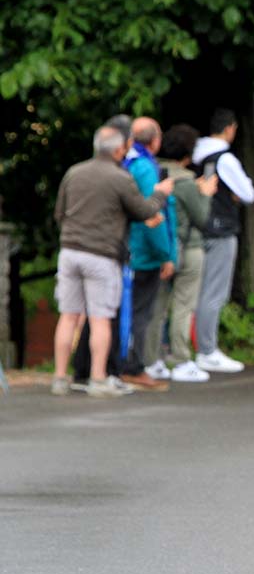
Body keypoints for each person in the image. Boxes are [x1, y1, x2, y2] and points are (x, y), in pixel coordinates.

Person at [50, 126, 172, 397]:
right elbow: (143, 210)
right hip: (101, 255)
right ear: (118, 150)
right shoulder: (120, 178)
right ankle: (97, 378)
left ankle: (59, 378)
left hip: (69, 251)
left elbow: (59, 212)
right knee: (101, 318)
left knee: (68, 316)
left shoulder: (74, 172)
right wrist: (160, 193)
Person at [145, 124, 217, 383]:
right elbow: (202, 217)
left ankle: (150, 358)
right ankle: (180, 358)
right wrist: (206, 194)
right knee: (183, 306)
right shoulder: (186, 180)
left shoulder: (155, 173)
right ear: (188, 153)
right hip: (190, 248)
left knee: (157, 306)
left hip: (162, 245)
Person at [192, 108, 254, 373]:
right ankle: (207, 350)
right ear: (230, 128)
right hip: (221, 231)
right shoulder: (225, 158)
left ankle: (188, 346)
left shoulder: (195, 154)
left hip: (197, 229)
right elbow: (248, 193)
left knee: (193, 292)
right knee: (213, 292)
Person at [119, 117, 174, 391]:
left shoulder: (125, 164)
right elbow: (154, 216)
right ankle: (134, 366)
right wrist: (166, 254)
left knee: (126, 310)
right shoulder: (146, 169)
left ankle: (122, 363)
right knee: (141, 313)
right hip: (144, 252)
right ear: (154, 141)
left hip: (127, 247)